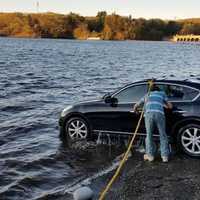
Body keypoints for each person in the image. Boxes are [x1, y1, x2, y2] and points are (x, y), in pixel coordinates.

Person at [133, 84, 173, 162]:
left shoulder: (146, 95)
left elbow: (135, 106)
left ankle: (150, 156)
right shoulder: (162, 94)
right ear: (158, 90)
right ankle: (164, 157)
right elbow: (170, 106)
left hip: (149, 115)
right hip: (159, 114)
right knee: (163, 135)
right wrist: (163, 104)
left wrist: (136, 111)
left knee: (149, 135)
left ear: (150, 90)